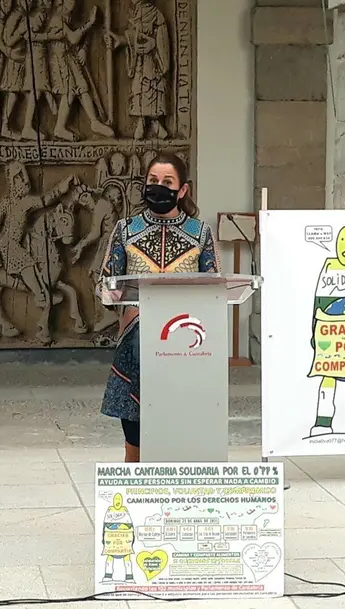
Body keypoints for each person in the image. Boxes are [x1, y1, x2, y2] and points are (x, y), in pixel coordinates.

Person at [96, 152, 220, 462]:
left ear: (182, 190)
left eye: (167, 182)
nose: (158, 187)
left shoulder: (200, 233)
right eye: (153, 180)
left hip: (185, 341)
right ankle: (134, 466)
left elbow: (215, 288)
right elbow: (105, 284)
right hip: (136, 337)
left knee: (181, 415)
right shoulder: (126, 230)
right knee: (135, 408)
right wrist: (115, 293)